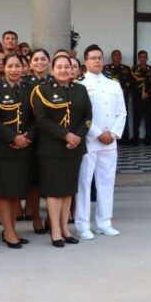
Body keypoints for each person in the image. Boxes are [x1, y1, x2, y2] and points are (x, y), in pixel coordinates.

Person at [31, 55, 92, 247]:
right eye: (59, 67)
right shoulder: (42, 90)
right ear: (52, 69)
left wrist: (77, 137)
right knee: (54, 191)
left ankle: (65, 228)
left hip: (75, 147)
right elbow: (41, 120)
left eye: (67, 67)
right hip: (52, 147)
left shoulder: (80, 90)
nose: (64, 70)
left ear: (73, 69)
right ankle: (55, 231)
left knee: (68, 191)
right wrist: (66, 136)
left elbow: (88, 117)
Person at [76, 45, 125, 239]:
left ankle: (104, 222)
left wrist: (112, 133)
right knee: (84, 184)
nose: (97, 61)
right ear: (85, 62)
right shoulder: (79, 84)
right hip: (90, 140)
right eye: (93, 58)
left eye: (100, 58)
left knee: (106, 182)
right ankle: (82, 224)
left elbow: (122, 112)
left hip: (109, 142)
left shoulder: (113, 84)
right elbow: (81, 115)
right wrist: (97, 133)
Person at [0, 54, 35, 249]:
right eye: (10, 66)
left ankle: (12, 229)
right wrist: (12, 137)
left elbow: (38, 118)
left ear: (24, 68)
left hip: (25, 147)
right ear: (3, 68)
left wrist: (27, 137)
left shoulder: (31, 89)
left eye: (18, 66)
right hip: (2, 147)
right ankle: (7, 231)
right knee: (3, 190)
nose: (14, 69)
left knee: (17, 191)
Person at [102, 50, 135, 144]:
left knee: (123, 115)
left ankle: (125, 138)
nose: (117, 57)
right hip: (109, 97)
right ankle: (112, 137)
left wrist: (124, 90)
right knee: (110, 116)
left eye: (118, 55)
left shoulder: (126, 68)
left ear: (121, 57)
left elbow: (130, 82)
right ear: (112, 57)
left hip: (123, 96)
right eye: (115, 55)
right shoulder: (106, 68)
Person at [131, 50, 151, 145]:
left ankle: (148, 139)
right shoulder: (133, 69)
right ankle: (135, 139)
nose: (143, 58)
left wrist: (148, 93)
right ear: (138, 58)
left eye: (145, 56)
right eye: (141, 56)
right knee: (136, 120)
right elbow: (132, 84)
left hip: (148, 99)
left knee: (148, 120)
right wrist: (140, 93)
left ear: (147, 58)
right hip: (137, 99)